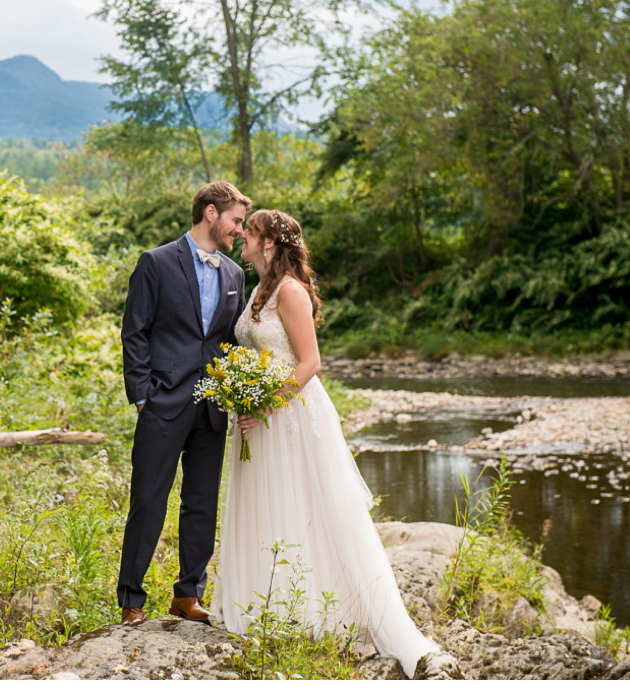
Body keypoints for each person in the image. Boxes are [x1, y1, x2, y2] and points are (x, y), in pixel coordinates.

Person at [212, 209, 440, 678]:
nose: (242, 238)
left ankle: (309, 608)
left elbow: (310, 362)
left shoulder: (290, 291)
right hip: (259, 415)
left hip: (290, 415)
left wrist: (264, 404)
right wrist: (243, 397)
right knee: (265, 503)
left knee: (301, 506)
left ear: (269, 243)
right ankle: (263, 600)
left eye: (249, 233)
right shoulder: (258, 289)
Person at [117, 181, 252, 626]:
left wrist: (238, 391)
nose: (239, 230)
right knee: (149, 499)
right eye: (235, 220)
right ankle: (132, 599)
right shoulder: (155, 262)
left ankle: (187, 594)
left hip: (213, 405)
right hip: (162, 401)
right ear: (210, 213)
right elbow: (134, 331)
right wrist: (142, 396)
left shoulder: (235, 274)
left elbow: (230, 340)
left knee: (201, 501)